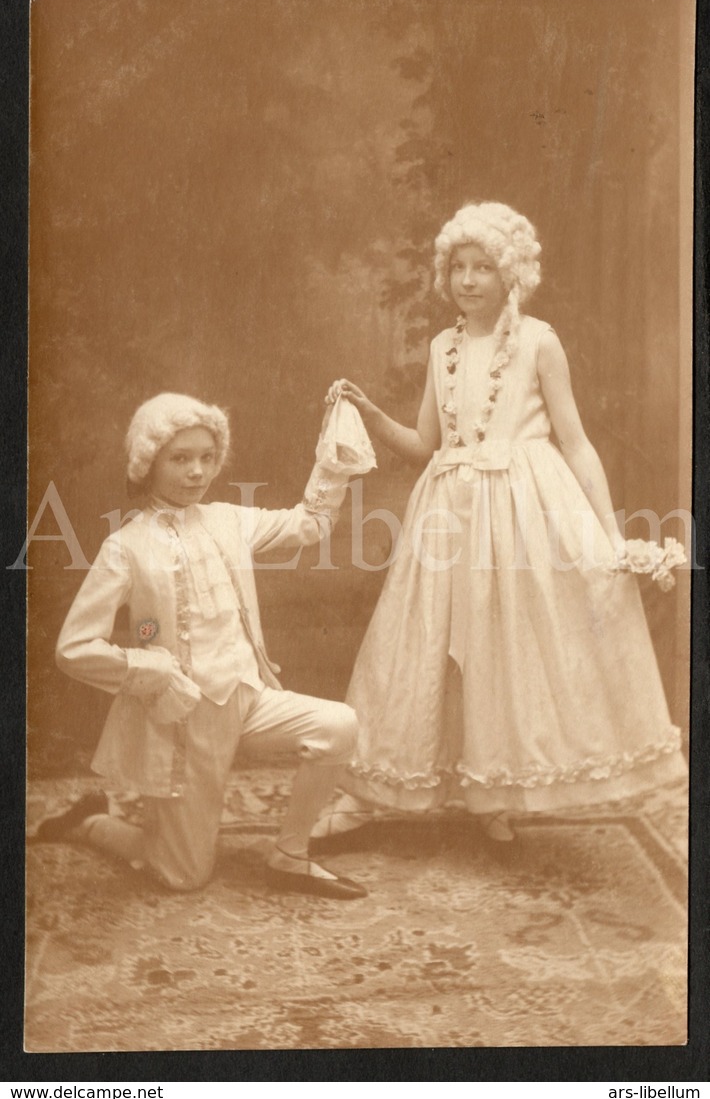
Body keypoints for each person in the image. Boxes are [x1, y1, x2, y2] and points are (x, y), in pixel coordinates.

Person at [311, 201, 686, 843]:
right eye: (459, 266)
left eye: (484, 266)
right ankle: (369, 791)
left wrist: (607, 531)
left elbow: (576, 442)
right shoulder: (442, 347)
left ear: (510, 273)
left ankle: (498, 791)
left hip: (522, 511)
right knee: (426, 646)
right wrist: (373, 413)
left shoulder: (539, 342)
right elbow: (427, 442)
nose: (469, 280)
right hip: (448, 513)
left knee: (507, 648)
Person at [36, 392, 370, 898]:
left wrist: (335, 456)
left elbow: (310, 522)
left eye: (207, 458)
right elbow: (74, 646)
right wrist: (152, 669)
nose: (197, 472)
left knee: (339, 725)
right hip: (185, 725)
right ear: (148, 463)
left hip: (248, 699)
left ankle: (289, 854)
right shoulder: (125, 547)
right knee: (182, 878)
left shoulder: (228, 520)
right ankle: (92, 823)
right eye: (181, 458)